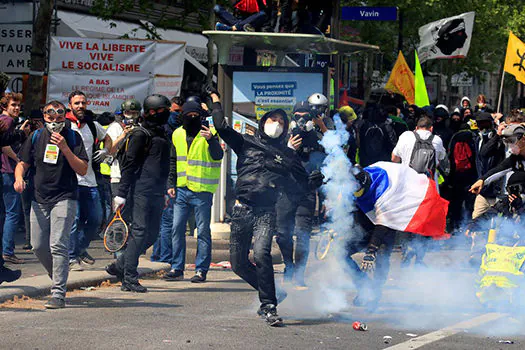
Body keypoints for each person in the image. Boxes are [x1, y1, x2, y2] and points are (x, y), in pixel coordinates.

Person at [211, 87, 323, 326]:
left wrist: (314, 181)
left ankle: (269, 305)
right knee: (238, 263)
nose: (277, 124)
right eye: (273, 119)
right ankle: (274, 293)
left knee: (261, 254)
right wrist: (215, 101)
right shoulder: (245, 143)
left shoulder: (286, 152)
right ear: (263, 122)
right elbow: (221, 128)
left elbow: (301, 183)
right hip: (242, 209)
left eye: (282, 121)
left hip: (265, 211)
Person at [14, 100, 89, 309]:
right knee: (38, 246)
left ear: (64, 117)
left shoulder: (73, 137)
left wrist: (64, 148)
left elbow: (82, 169)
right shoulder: (36, 136)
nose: (55, 122)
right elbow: (23, 163)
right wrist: (18, 178)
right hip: (39, 198)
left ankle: (58, 294)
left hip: (64, 197)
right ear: (44, 117)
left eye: (59, 118)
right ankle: (58, 275)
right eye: (50, 118)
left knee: (58, 245)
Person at [106, 94, 171, 293]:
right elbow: (129, 165)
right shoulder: (140, 134)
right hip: (140, 190)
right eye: (163, 110)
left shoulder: (163, 133)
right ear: (152, 112)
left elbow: (165, 165)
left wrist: (166, 190)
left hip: (158, 191)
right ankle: (129, 279)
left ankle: (120, 266)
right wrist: (122, 194)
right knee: (139, 232)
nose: (167, 113)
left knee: (151, 234)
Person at [164, 100, 223, 283]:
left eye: (195, 115)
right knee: (177, 228)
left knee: (203, 231)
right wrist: (170, 183)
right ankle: (177, 267)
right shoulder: (177, 134)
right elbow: (173, 160)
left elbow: (218, 156)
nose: (191, 118)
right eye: (188, 115)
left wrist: (211, 140)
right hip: (182, 188)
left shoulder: (210, 133)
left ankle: (201, 270)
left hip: (202, 191)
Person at [275, 99, 326, 288]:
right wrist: (289, 149)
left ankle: (299, 274)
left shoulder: (319, 139)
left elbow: (335, 158)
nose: (302, 121)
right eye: (298, 117)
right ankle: (289, 265)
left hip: (307, 193)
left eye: (307, 117)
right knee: (282, 234)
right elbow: (274, 162)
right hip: (286, 193)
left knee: (303, 235)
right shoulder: (284, 138)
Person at [66, 91, 112, 271]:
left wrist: (105, 151)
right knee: (74, 220)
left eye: (83, 103)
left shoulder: (92, 125)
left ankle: (79, 248)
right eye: (76, 103)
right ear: (70, 105)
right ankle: (71, 257)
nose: (80, 106)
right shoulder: (65, 125)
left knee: (96, 219)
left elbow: (107, 139)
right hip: (71, 181)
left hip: (90, 181)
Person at [0, 93, 32, 284]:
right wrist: (19, 159)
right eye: (13, 105)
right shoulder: (7, 122)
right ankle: (8, 251)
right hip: (7, 172)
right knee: (11, 214)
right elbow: (4, 144)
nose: (17, 108)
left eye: (19, 105)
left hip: (6, 172)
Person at [358, 103, 397, 167]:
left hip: (366, 161)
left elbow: (359, 142)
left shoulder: (363, 126)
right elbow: (393, 144)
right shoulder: (387, 127)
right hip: (383, 162)